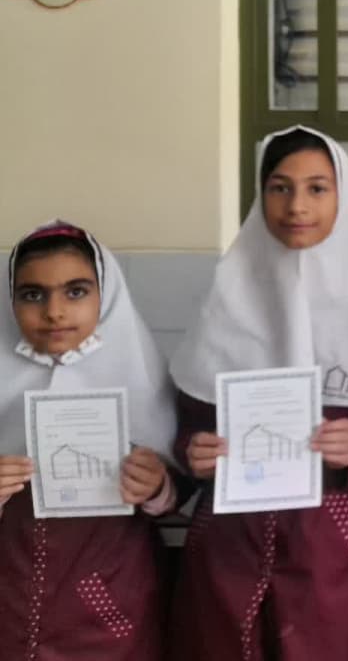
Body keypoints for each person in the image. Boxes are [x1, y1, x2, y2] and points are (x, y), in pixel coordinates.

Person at [168, 127, 348, 660]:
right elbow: (187, 422)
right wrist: (194, 451)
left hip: (335, 552)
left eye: (316, 188)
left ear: (342, 196)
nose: (296, 206)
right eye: (279, 188)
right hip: (230, 550)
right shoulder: (225, 299)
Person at [0, 222, 182, 659]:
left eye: (76, 292)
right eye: (33, 294)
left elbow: (179, 490)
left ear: (107, 296)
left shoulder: (142, 379)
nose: (55, 312)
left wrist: (157, 486)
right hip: (10, 597)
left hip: (110, 603)